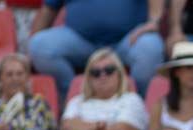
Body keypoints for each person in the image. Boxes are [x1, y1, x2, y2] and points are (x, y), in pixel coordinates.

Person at [28, 0, 166, 98]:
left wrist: (153, 21)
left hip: (126, 40)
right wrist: (29, 52)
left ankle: (139, 103)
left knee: (151, 48)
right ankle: (72, 97)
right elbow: (48, 9)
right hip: (80, 40)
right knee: (39, 46)